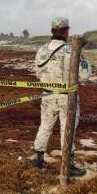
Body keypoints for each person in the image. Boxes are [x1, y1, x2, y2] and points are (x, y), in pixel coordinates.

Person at [32, 17, 86, 176]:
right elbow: (85, 73)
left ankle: (38, 159)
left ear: (52, 31)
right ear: (66, 31)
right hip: (67, 97)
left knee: (45, 127)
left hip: (47, 95)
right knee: (67, 130)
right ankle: (68, 165)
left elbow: (37, 73)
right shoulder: (71, 50)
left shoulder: (41, 50)